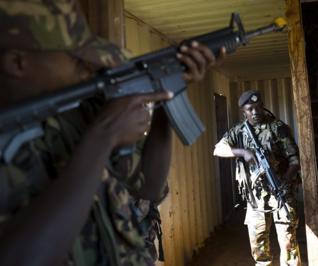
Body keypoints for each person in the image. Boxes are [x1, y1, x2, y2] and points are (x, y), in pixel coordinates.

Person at [0, 0, 225, 265]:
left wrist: (168, 92)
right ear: (17, 62)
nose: (86, 70)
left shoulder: (76, 113)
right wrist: (103, 136)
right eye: (75, 59)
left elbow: (149, 187)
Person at [213, 90, 301, 266]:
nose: (255, 112)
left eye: (258, 107)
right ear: (243, 111)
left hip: (281, 194)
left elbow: (295, 160)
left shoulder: (277, 127)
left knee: (289, 244)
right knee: (259, 247)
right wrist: (242, 152)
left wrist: (284, 181)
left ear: (263, 106)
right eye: (249, 109)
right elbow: (218, 149)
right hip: (255, 199)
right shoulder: (239, 130)